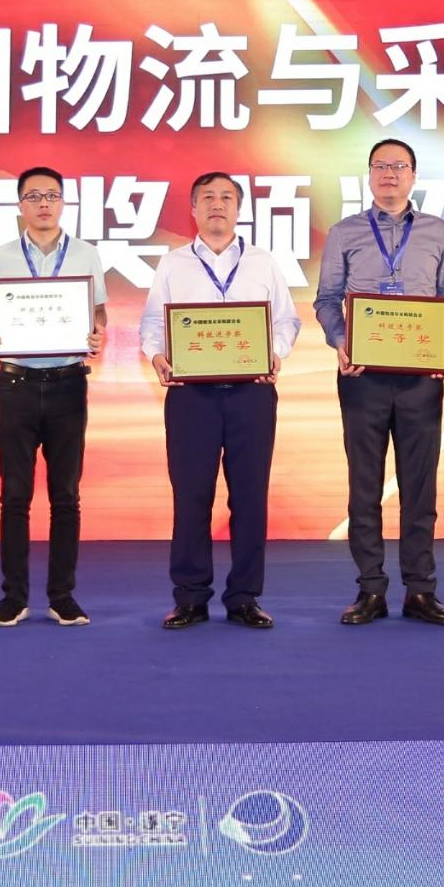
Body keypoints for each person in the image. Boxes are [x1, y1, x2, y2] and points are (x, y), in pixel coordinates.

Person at [313, 137, 444, 627]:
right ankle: (370, 589)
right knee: (365, 485)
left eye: (399, 166)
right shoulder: (345, 232)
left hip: (421, 376)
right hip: (363, 376)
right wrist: (341, 341)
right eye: (380, 166)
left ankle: (421, 589)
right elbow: (327, 299)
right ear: (369, 175)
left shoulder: (437, 230)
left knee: (420, 485)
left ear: (413, 176)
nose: (389, 174)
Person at [144, 172, 300, 629]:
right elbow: (153, 321)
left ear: (239, 207)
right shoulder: (173, 263)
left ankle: (244, 597)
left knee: (250, 497)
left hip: (252, 394)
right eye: (208, 197)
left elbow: (287, 321)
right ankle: (191, 597)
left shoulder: (263, 262)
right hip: (191, 397)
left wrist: (275, 352)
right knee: (191, 497)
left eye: (227, 197)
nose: (217, 204)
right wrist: (157, 355)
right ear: (193, 208)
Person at [0, 165, 108, 626]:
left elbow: (98, 314)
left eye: (51, 195)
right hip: (15, 383)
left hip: (68, 383)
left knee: (66, 496)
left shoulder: (87, 254)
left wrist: (96, 334)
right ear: (20, 205)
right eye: (33, 196)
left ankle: (62, 595)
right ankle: (13, 597)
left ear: (63, 202)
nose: (43, 204)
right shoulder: (2, 256)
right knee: (14, 496)